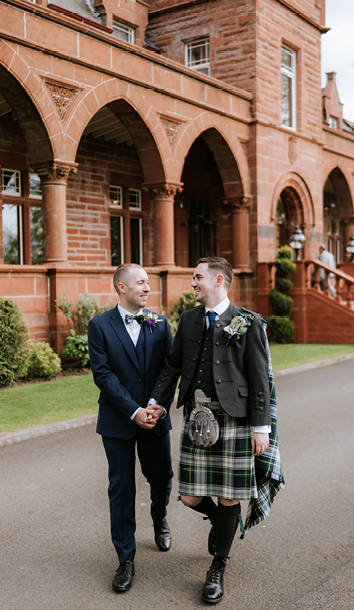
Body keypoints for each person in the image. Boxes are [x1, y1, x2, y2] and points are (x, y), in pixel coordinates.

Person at [148, 256, 283, 604]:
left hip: (235, 419)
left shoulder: (246, 322)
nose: (192, 283)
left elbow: (259, 380)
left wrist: (261, 427)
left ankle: (217, 568)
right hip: (197, 417)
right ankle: (222, 522)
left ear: (218, 280)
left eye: (197, 278)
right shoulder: (190, 319)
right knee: (190, 496)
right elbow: (172, 366)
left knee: (229, 496)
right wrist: (157, 401)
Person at [88, 264, 175, 593]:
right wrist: (134, 411)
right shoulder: (99, 326)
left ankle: (159, 517)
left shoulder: (160, 322)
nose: (147, 287)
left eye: (148, 282)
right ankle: (125, 558)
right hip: (118, 420)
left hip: (156, 417)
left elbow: (170, 368)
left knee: (162, 477)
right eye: (140, 282)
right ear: (121, 287)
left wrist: (157, 404)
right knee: (121, 489)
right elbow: (103, 375)